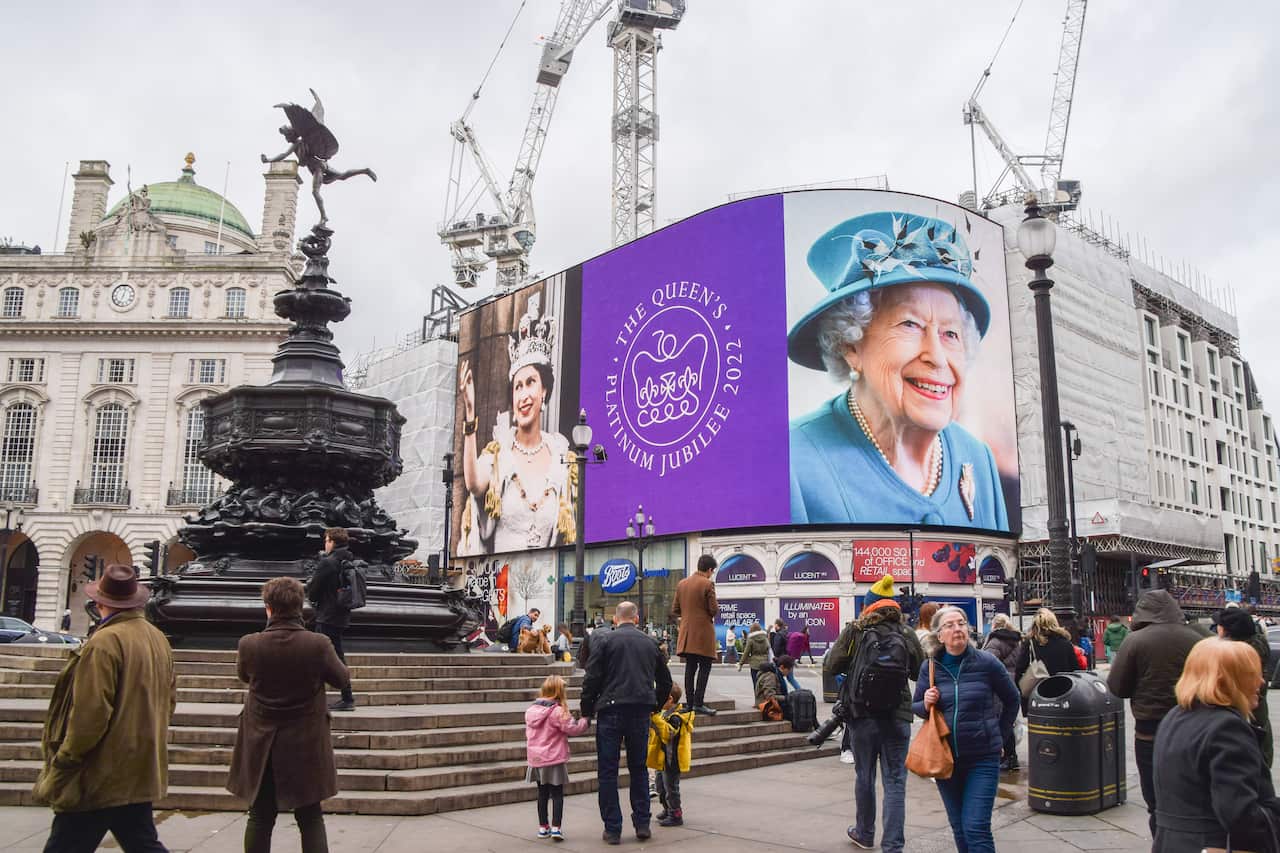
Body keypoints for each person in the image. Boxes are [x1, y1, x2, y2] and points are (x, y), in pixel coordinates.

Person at [788, 211, 1008, 530]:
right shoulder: (792, 462)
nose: (937, 357)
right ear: (850, 346)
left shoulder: (978, 459)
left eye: (950, 334)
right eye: (910, 324)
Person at [33, 564, 177, 853]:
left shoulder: (105, 641)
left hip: (99, 769)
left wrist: (68, 757)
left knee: (65, 845)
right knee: (142, 843)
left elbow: (91, 712)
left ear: (99, 603)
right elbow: (170, 699)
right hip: (138, 762)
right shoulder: (157, 638)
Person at [228, 577, 351, 853]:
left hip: (262, 743)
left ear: (268, 607)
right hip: (306, 743)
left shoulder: (250, 644)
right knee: (310, 817)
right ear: (300, 607)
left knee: (260, 816)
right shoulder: (318, 644)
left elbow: (244, 676)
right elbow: (342, 679)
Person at [458, 296, 576, 555]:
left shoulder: (561, 459)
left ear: (544, 391)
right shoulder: (499, 454)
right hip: (501, 574)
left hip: (547, 574)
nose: (523, 395)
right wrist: (470, 412)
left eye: (530, 383)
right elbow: (474, 484)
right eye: (517, 387)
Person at [825, 575, 924, 852]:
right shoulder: (906, 633)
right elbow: (919, 671)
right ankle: (893, 845)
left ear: (869, 606)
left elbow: (832, 665)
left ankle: (865, 833)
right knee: (895, 781)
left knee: (864, 776)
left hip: (862, 715)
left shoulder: (856, 630)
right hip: (898, 714)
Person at [1152, 638, 1280, 851]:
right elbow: (1240, 814)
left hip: (1172, 843)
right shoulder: (1227, 727)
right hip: (1212, 844)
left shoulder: (1175, 716)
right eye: (1252, 675)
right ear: (1228, 680)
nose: (1261, 682)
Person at [912, 606, 1019, 853]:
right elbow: (916, 707)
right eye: (949, 625)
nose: (957, 628)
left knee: (976, 827)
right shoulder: (930, 667)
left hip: (983, 758)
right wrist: (925, 702)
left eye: (961, 623)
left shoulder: (987, 662)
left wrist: (999, 736)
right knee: (959, 826)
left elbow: (1012, 699)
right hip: (945, 758)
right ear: (939, 635)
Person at [1106, 589, 1204, 836]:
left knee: (1155, 799)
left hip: (1150, 730)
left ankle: (1162, 839)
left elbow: (1118, 687)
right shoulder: (1196, 638)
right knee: (1191, 794)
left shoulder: (1135, 640)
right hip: (1191, 726)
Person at [579, 601, 672, 845]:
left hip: (610, 709)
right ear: (637, 618)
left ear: (615, 619)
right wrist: (655, 705)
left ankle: (612, 828)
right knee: (638, 769)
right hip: (640, 710)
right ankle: (642, 823)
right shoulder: (650, 643)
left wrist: (586, 709)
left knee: (608, 771)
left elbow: (592, 678)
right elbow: (665, 681)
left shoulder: (605, 641)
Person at [261, 89, 377, 227]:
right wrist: (268, 160)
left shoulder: (298, 143)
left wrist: (269, 160)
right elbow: (287, 155)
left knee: (315, 192)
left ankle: (324, 217)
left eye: (286, 136)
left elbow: (284, 155)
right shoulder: (300, 143)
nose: (286, 138)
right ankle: (365, 170)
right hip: (321, 165)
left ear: (291, 135)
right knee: (342, 176)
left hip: (318, 167)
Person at [525, 674, 589, 842]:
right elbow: (573, 729)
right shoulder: (557, 711)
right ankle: (556, 828)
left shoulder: (531, 710)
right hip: (553, 759)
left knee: (542, 794)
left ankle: (543, 827)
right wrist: (585, 721)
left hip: (536, 759)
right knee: (557, 794)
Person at [305, 526, 357, 711]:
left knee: (324, 656)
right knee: (334, 655)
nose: (325, 544)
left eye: (326, 541)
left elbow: (314, 590)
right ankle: (345, 697)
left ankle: (344, 698)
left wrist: (311, 591)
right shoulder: (349, 559)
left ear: (333, 542)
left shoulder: (328, 562)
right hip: (341, 613)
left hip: (327, 615)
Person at [1216, 606, 1274, 768]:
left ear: (1227, 631)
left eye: (1219, 626)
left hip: (1247, 721)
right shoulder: (1256, 646)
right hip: (1257, 720)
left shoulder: (1240, 656)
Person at [671, 554, 718, 716]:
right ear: (709, 569)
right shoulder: (708, 584)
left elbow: (675, 610)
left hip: (687, 633)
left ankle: (689, 704)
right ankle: (699, 703)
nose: (711, 574)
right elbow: (713, 610)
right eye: (712, 571)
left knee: (690, 668)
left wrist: (688, 615)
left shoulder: (682, 584)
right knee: (705, 668)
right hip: (703, 633)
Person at [647, 684, 694, 828]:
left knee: (671, 788)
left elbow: (668, 733)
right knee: (661, 786)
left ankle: (675, 814)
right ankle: (667, 808)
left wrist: (656, 719)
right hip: (663, 758)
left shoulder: (676, 717)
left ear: (670, 699)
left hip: (673, 759)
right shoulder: (665, 714)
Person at [1012, 608, 1079, 710]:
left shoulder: (1030, 644)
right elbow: (1075, 670)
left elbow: (1019, 670)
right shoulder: (1065, 643)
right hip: (1064, 695)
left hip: (1037, 698)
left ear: (1035, 625)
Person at [981, 613, 1023, 771]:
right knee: (1008, 719)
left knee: (999, 720)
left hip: (998, 684)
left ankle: (1006, 756)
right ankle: (1011, 756)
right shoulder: (1015, 641)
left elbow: (987, 663)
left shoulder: (995, 641)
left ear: (994, 625)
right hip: (1012, 681)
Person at [737, 622, 770, 687]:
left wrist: (741, 664)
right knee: (764, 683)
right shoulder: (765, 638)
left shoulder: (751, 639)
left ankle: (757, 693)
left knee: (756, 684)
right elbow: (768, 648)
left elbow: (746, 652)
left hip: (754, 665)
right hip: (765, 663)